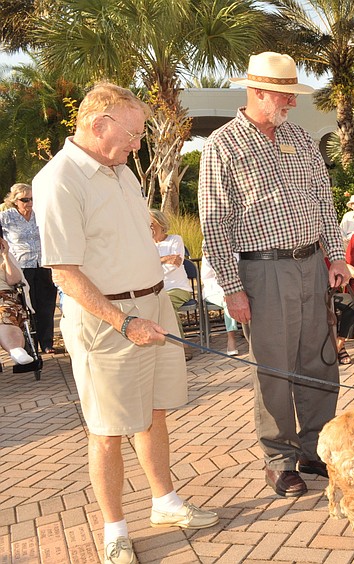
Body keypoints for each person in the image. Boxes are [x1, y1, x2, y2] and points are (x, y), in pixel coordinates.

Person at [32, 82, 218, 564]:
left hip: (153, 307)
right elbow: (65, 273)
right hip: (108, 321)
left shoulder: (123, 173)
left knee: (154, 411)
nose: (138, 144)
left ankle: (165, 503)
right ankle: (114, 530)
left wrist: (150, 308)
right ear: (99, 126)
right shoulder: (59, 180)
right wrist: (123, 322)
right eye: (133, 134)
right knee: (107, 428)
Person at [199, 52, 349, 499]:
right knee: (275, 369)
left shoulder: (302, 140)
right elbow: (214, 223)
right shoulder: (222, 146)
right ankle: (279, 459)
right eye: (285, 95)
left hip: (312, 267)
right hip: (262, 272)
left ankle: (315, 448)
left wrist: (337, 256)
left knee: (319, 360)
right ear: (258, 92)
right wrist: (231, 287)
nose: (291, 103)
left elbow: (325, 203)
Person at [0, 183, 59, 354]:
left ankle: (47, 343)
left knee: (46, 305)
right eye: (25, 199)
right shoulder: (7, 217)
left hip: (43, 264)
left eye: (32, 199)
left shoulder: (40, 215)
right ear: (15, 201)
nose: (29, 202)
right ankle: (30, 345)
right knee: (27, 306)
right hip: (22, 267)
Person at [149, 210, 193, 360]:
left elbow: (173, 266)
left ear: (161, 224)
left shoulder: (175, 240)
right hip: (154, 290)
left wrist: (156, 262)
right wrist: (164, 259)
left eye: (151, 225)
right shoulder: (146, 245)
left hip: (178, 288)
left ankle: (182, 347)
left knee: (166, 303)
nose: (149, 229)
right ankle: (161, 350)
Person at [0, 231, 35, 365]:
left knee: (5, 313)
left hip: (5, 296)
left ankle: (16, 350)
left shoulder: (5, 257)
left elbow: (15, 280)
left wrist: (6, 256)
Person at [200, 255, 242, 355]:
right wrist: (225, 291)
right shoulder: (209, 253)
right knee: (229, 300)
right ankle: (231, 338)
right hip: (214, 290)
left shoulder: (237, 248)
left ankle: (249, 333)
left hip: (237, 288)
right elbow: (207, 279)